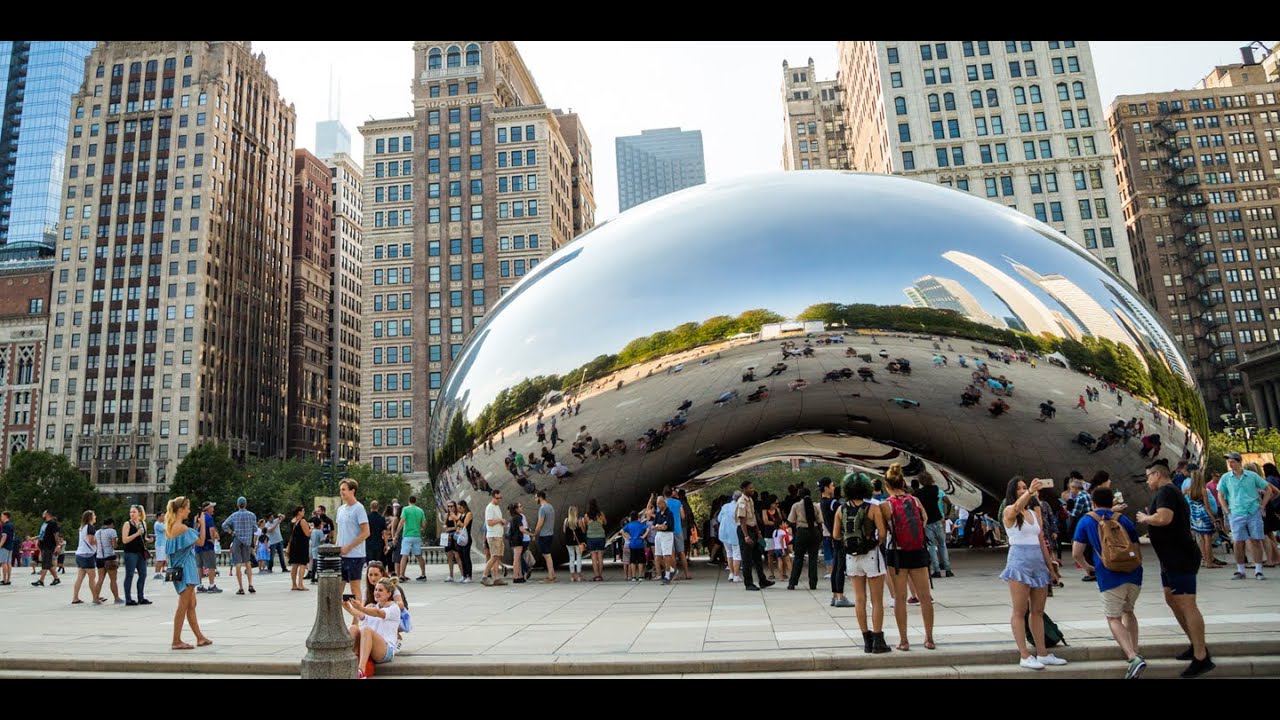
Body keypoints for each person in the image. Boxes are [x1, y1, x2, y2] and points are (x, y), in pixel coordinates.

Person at [1137, 460, 1215, 677]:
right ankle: (1195, 644)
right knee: (1171, 598)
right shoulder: (1167, 493)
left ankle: (1202, 657)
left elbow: (1164, 518)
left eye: (1148, 476)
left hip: (1180, 556)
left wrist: (1146, 518)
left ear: (1157, 475)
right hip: (1170, 558)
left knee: (1187, 603)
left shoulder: (1167, 492)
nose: (1147, 481)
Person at [1072, 486, 1147, 679]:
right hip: (1133, 574)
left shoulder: (1087, 520)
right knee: (1129, 611)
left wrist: (1087, 567)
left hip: (1109, 575)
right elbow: (1136, 548)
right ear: (1111, 502)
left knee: (1113, 617)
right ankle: (1135, 649)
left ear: (1093, 503)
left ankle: (1132, 657)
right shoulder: (1123, 519)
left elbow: (1076, 552)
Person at [1000, 477, 1066, 670]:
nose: (1023, 490)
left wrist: (1050, 566)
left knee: (1038, 610)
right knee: (1019, 611)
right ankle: (1024, 655)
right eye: (1019, 489)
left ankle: (1042, 653)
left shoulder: (1032, 512)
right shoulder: (1009, 510)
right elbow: (1015, 509)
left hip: (1037, 561)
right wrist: (1029, 492)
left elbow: (1041, 539)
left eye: (1025, 488)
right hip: (1019, 561)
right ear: (1013, 492)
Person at [881, 465, 936, 651]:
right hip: (918, 551)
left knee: (900, 598)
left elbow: (884, 531)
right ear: (903, 483)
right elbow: (924, 519)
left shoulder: (886, 505)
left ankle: (904, 641)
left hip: (897, 554)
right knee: (925, 597)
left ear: (887, 485)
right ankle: (929, 639)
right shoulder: (915, 500)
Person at [835, 473, 891, 654]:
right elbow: (882, 533)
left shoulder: (841, 509)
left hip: (851, 558)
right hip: (871, 555)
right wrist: (873, 543)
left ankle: (866, 640)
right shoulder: (872, 508)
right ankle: (878, 640)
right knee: (876, 600)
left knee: (859, 599)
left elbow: (836, 535)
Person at [1217, 451, 1278, 580]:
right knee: (1238, 542)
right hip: (1236, 512)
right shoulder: (1226, 478)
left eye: (1233, 462)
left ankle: (1258, 570)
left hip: (1252, 511)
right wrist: (1226, 509)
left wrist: (1262, 505)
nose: (1230, 465)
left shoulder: (1252, 476)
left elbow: (1268, 489)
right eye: (1229, 462)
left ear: (1239, 462)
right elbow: (1220, 494)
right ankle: (1240, 570)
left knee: (1256, 540)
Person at [163, 496, 213, 650]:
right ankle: (176, 640)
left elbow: (185, 543)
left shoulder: (171, 527)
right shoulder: (182, 528)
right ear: (180, 510)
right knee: (183, 605)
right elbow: (201, 541)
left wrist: (196, 526)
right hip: (186, 570)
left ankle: (200, 638)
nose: (189, 511)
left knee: (191, 604)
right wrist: (203, 524)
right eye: (188, 508)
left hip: (180, 569)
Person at [344, 578, 402, 678]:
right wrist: (347, 607)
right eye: (376, 590)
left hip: (386, 650)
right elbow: (360, 615)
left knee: (366, 630)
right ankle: (347, 662)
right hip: (369, 647)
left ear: (388, 594)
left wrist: (361, 608)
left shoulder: (394, 608)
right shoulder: (372, 606)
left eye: (380, 590)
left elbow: (378, 613)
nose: (376, 592)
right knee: (354, 628)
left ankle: (361, 671)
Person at [336, 479, 371, 602]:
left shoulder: (359, 508)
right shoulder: (340, 509)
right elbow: (340, 532)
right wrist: (337, 547)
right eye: (340, 490)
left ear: (352, 491)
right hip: (341, 554)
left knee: (354, 587)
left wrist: (349, 547)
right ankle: (336, 612)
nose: (341, 492)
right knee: (337, 588)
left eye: (344, 489)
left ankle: (358, 613)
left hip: (355, 555)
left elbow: (366, 532)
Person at [736, 480, 773, 591]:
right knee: (747, 558)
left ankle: (762, 580)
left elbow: (753, 518)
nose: (752, 490)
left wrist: (758, 532)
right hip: (745, 530)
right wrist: (746, 536)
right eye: (750, 488)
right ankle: (748, 583)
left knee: (757, 556)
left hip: (753, 529)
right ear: (744, 489)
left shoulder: (750, 500)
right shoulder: (742, 501)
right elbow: (742, 520)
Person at [916, 471, 953, 578]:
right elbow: (948, 502)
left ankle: (936, 570)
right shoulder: (936, 489)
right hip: (938, 519)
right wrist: (947, 514)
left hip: (927, 521)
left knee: (931, 546)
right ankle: (948, 569)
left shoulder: (919, 493)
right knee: (942, 544)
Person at [220, 496, 258, 595]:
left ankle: (241, 587)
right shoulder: (252, 515)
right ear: (246, 504)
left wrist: (231, 532)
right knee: (248, 562)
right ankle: (250, 585)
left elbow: (224, 525)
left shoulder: (234, 515)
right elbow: (255, 529)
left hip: (237, 539)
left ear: (238, 505)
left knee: (238, 563)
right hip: (247, 541)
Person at [1185, 474, 1224, 569]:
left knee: (1202, 539)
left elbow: (1183, 498)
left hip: (1195, 515)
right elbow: (1207, 507)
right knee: (1208, 540)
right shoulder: (1203, 490)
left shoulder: (1188, 489)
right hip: (1203, 515)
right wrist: (1214, 519)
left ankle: (1205, 560)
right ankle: (1209, 562)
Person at [787, 488, 822, 590]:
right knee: (813, 558)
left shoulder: (796, 506)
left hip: (801, 532)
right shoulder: (815, 506)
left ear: (800, 495)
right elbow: (820, 521)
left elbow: (791, 520)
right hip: (814, 532)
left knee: (798, 558)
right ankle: (813, 583)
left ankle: (793, 582)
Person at [121, 505, 151, 605]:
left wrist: (149, 540)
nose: (132, 514)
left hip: (141, 552)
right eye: (131, 512)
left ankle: (141, 597)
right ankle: (128, 599)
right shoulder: (127, 524)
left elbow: (144, 537)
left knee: (143, 574)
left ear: (139, 513)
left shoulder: (143, 523)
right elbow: (125, 540)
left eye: (134, 512)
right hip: (130, 552)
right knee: (129, 575)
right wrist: (136, 534)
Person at [396, 495, 427, 582]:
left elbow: (402, 521)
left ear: (408, 501)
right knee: (418, 555)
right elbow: (424, 523)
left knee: (404, 555)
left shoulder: (405, 509)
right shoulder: (420, 510)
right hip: (416, 535)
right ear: (415, 501)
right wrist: (422, 529)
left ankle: (401, 575)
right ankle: (423, 574)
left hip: (407, 535)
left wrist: (397, 533)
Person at [92, 517, 122, 605]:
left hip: (99, 557)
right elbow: (114, 545)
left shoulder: (97, 532)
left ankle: (95, 598)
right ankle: (116, 598)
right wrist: (116, 541)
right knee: (113, 580)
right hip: (109, 557)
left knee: (100, 579)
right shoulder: (112, 531)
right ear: (111, 524)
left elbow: (95, 543)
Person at [72, 510, 99, 605]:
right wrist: (100, 541)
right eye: (94, 515)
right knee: (92, 578)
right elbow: (91, 541)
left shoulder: (82, 527)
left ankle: (75, 598)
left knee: (80, 577)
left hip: (79, 554)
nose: (95, 517)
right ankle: (95, 598)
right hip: (88, 554)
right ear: (90, 517)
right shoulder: (90, 527)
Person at [482, 489, 508, 586]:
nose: (499, 500)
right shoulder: (490, 508)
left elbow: (495, 521)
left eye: (500, 498)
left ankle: (496, 577)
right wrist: (500, 520)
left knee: (497, 557)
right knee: (494, 556)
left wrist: (501, 523)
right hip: (493, 536)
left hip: (498, 535)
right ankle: (485, 576)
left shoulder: (497, 507)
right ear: (493, 497)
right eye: (497, 498)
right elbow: (489, 522)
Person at [195, 501, 221, 594]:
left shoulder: (198, 517)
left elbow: (195, 530)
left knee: (199, 566)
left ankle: (199, 586)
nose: (213, 509)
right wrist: (213, 540)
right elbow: (211, 530)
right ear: (208, 509)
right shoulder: (208, 517)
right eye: (212, 507)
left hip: (198, 545)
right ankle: (211, 585)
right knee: (211, 566)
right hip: (207, 546)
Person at [532, 491, 558, 583]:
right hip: (550, 534)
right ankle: (552, 575)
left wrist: (534, 533)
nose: (535, 500)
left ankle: (550, 577)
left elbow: (540, 523)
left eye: (536, 498)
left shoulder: (542, 509)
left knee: (547, 555)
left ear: (540, 497)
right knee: (547, 554)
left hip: (544, 535)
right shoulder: (550, 507)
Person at [32, 510, 63, 587]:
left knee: (45, 563)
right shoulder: (45, 523)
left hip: (49, 546)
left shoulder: (53, 524)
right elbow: (42, 534)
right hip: (43, 545)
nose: (42, 514)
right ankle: (56, 579)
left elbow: (56, 535)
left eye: (44, 513)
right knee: (48, 564)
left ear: (47, 514)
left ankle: (41, 580)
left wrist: (58, 545)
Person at [287, 505, 312, 591]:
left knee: (294, 565)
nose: (304, 512)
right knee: (302, 564)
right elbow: (307, 533)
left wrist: (288, 546)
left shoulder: (293, 521)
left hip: (294, 544)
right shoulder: (302, 521)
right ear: (299, 512)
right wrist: (312, 528)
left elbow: (292, 535)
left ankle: (294, 584)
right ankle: (300, 584)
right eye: (303, 511)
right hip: (301, 544)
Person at [583, 499, 608, 582]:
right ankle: (600, 575)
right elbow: (605, 523)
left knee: (593, 557)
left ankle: (596, 576)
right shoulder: (600, 514)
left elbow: (586, 525)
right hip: (600, 536)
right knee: (600, 557)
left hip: (591, 537)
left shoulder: (586, 515)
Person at [622, 511, 649, 582]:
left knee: (632, 561)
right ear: (637, 517)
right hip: (640, 544)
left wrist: (628, 537)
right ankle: (640, 576)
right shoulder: (640, 524)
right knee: (640, 561)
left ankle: (633, 577)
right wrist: (644, 536)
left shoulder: (629, 525)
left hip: (632, 544)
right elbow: (648, 529)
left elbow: (622, 531)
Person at [507, 502, 530, 584]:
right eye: (520, 506)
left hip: (517, 540)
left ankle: (519, 575)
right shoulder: (518, 517)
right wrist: (531, 534)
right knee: (517, 559)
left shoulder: (516, 517)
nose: (521, 507)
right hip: (517, 540)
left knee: (518, 558)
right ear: (516, 509)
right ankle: (516, 576)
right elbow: (521, 529)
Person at [455, 500, 474, 583]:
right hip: (460, 537)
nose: (459, 509)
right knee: (461, 557)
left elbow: (464, 525)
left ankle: (469, 575)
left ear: (464, 507)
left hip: (466, 538)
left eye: (460, 508)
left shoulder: (468, 514)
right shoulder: (460, 515)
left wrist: (458, 520)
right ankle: (464, 575)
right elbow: (457, 526)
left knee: (466, 557)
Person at [564, 506, 585, 582]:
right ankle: (579, 576)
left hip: (569, 542)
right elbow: (583, 531)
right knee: (579, 557)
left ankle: (572, 576)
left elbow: (564, 531)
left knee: (571, 558)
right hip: (578, 542)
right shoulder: (579, 521)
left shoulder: (566, 521)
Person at [152, 512, 168, 580]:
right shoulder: (157, 524)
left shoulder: (161, 524)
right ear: (158, 517)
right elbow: (166, 530)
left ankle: (159, 573)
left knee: (162, 559)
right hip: (160, 544)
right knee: (159, 559)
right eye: (162, 516)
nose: (164, 517)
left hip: (163, 544)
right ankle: (157, 573)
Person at [0, 511, 14, 585]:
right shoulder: (11, 524)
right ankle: (8, 579)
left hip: (5, 546)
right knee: (8, 563)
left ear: (5, 516)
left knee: (4, 563)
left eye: (2, 516)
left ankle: (4, 580)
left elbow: (4, 536)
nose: (1, 517)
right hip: (10, 546)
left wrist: (0, 545)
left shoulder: (5, 525)